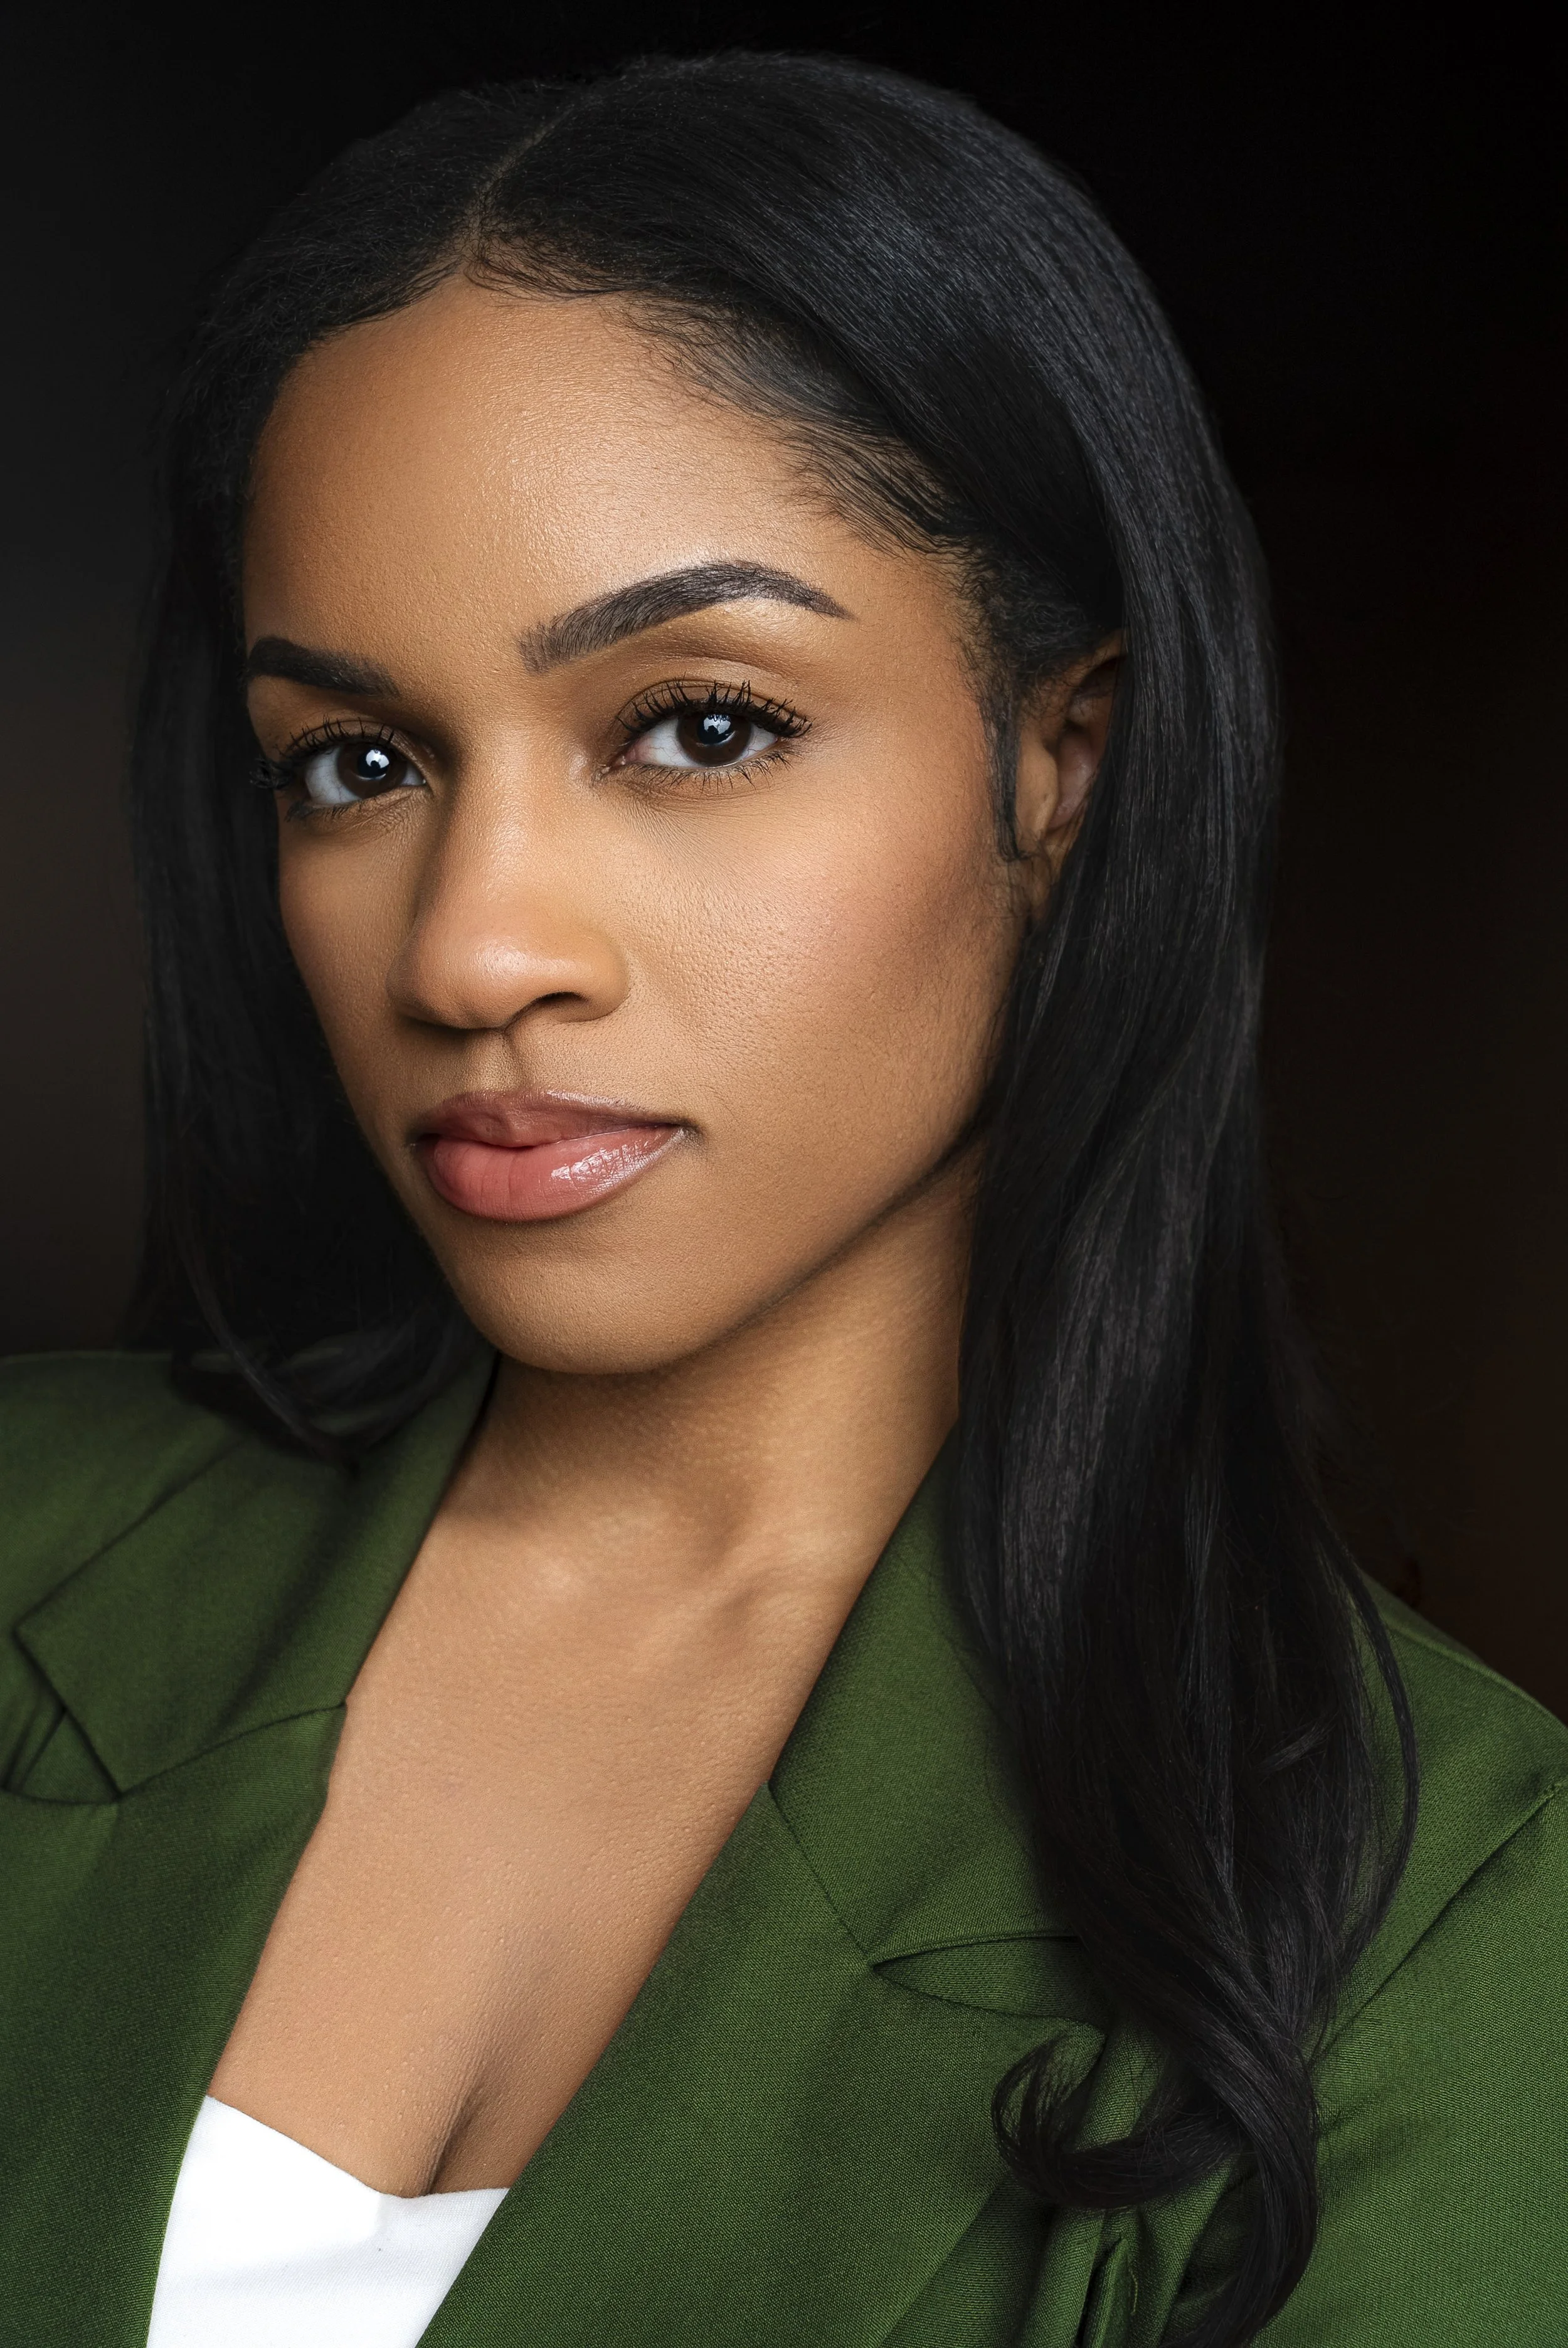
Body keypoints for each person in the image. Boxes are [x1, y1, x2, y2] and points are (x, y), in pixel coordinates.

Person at [0, 51, 1562, 2348]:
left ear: (1063, 764)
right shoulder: (30, 1533)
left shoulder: (1440, 1911)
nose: (470, 947)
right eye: (355, 763)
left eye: (698, 724)